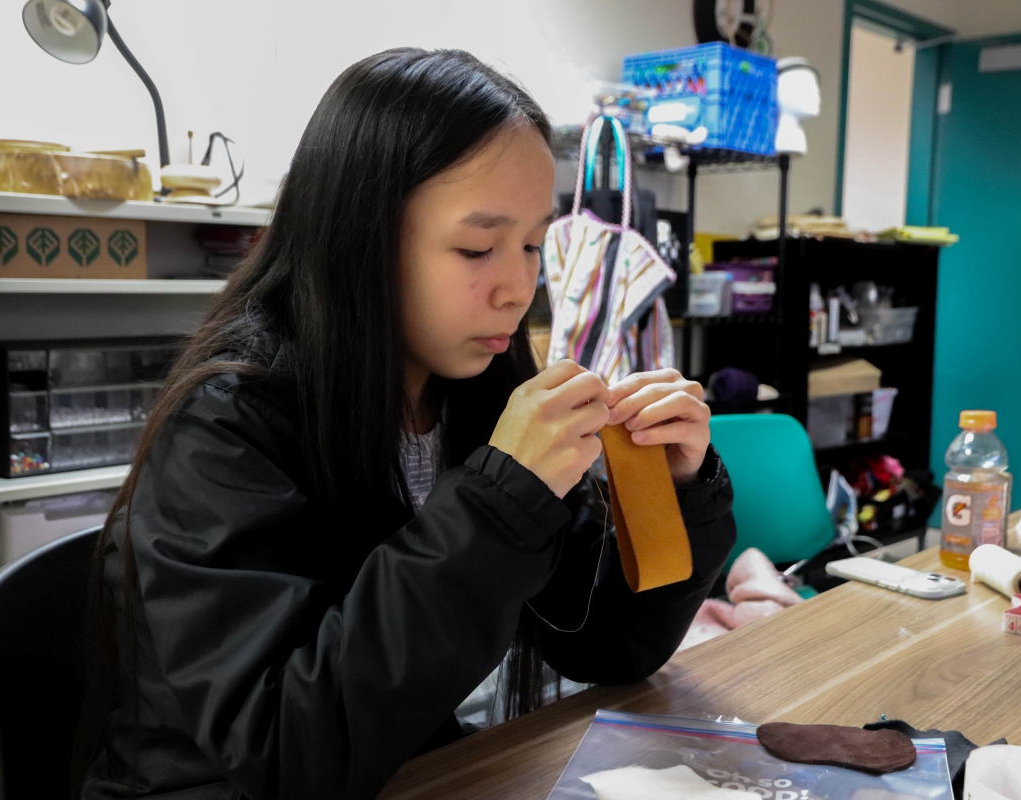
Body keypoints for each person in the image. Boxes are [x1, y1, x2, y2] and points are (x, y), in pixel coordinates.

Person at [76, 47, 736, 800]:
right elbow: (285, 752)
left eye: (531, 245)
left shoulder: (474, 391)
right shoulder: (227, 425)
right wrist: (496, 506)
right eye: (477, 248)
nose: (519, 288)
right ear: (358, 239)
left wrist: (673, 495)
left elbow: (608, 645)